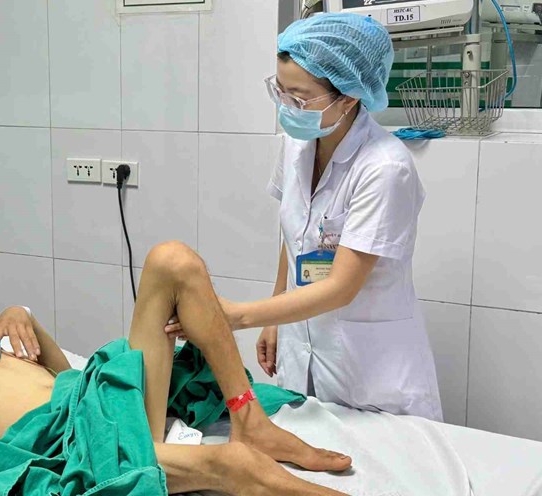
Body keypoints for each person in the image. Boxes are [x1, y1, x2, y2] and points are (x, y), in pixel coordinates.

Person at [0, 244, 351, 496]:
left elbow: (60, 376)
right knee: (230, 465)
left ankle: (249, 419)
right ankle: (238, 463)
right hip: (74, 441)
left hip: (94, 399)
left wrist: (25, 322)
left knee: (172, 260)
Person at [166, 14, 442, 421]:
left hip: (368, 370)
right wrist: (277, 315)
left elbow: (341, 287)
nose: (286, 107)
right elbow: (295, 236)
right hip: (304, 350)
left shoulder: (385, 168)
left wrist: (237, 316)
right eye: (280, 91)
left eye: (299, 97)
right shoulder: (298, 144)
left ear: (348, 98)